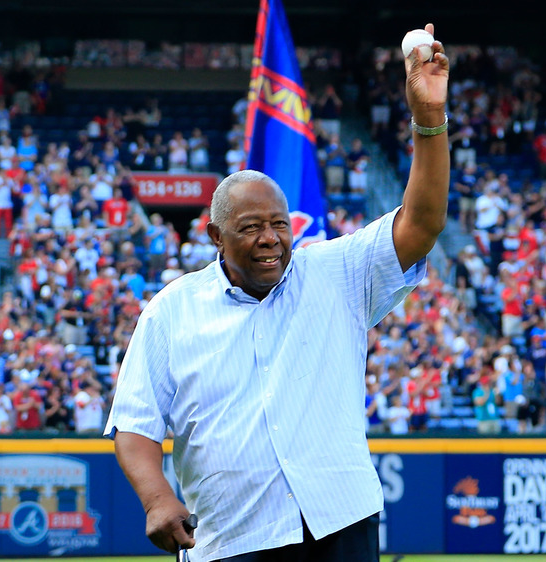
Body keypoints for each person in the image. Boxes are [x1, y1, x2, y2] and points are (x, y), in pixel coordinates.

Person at [105, 24, 449, 562]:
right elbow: (134, 425)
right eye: (249, 227)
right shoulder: (171, 311)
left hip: (341, 524)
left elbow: (423, 224)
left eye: (279, 224)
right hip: (234, 538)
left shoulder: (334, 272)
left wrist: (428, 121)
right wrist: (156, 499)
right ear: (215, 237)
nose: (269, 238)